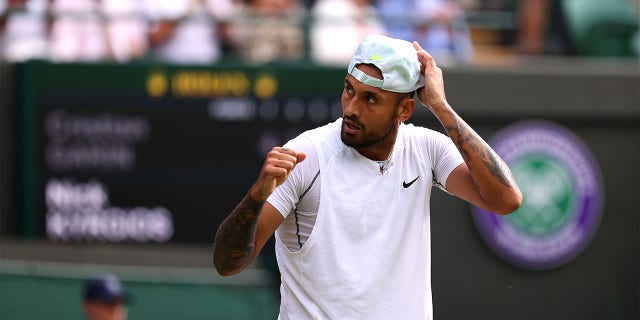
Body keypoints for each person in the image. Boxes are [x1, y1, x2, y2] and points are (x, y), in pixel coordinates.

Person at [213, 34, 522, 319]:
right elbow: (228, 265)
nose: (352, 108)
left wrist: (441, 107)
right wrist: (257, 195)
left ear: (405, 109)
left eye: (370, 99)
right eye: (349, 90)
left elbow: (506, 199)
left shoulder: (426, 148)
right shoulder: (306, 155)